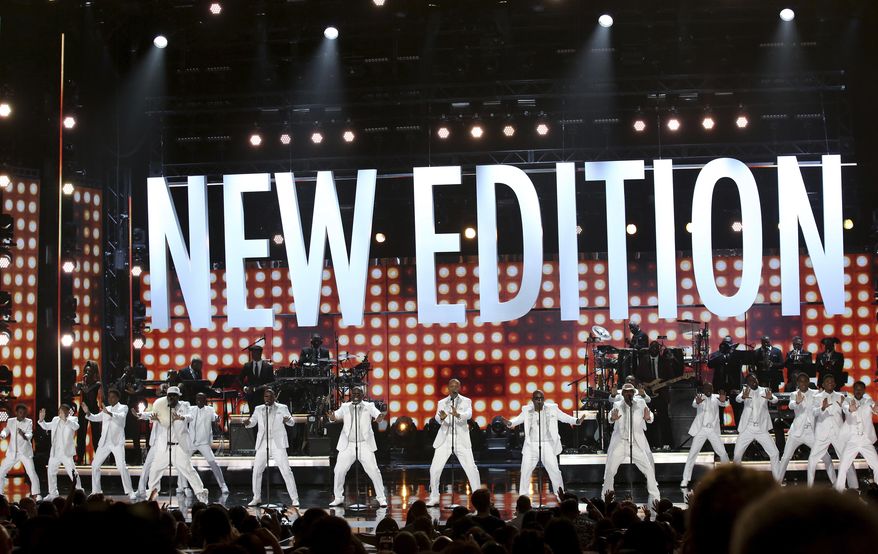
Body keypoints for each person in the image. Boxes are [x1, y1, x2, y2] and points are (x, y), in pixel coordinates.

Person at [504, 390, 584, 502]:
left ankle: (560, 496)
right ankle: (523, 498)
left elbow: (564, 417)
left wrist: (576, 421)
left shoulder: (552, 408)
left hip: (547, 444)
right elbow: (517, 420)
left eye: (541, 398)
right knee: (525, 471)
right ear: (532, 400)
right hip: (531, 445)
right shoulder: (527, 410)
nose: (539, 401)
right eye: (537, 398)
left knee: (555, 471)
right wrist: (510, 423)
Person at [140, 386, 208, 503]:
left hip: (178, 447)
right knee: (155, 470)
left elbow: (190, 416)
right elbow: (152, 414)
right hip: (164, 447)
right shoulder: (162, 406)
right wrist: (141, 415)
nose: (171, 397)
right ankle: (151, 495)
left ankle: (201, 493)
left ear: (178, 396)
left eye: (174, 395)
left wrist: (182, 417)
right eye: (169, 395)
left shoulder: (184, 405)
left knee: (188, 470)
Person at [602, 384, 660, 509]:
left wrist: (648, 417)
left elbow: (650, 417)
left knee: (648, 470)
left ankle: (656, 497)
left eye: (631, 392)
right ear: (622, 394)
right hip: (621, 443)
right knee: (610, 471)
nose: (629, 394)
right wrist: (613, 418)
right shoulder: (617, 404)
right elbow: (610, 417)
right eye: (626, 392)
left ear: (634, 393)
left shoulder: (640, 403)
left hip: (635, 442)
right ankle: (606, 497)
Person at [327, 386, 387, 507]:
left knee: (374, 471)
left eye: (358, 393)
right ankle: (338, 497)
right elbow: (336, 416)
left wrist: (380, 417)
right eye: (353, 393)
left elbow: (378, 415)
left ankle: (381, 498)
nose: (355, 395)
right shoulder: (345, 407)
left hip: (364, 444)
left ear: (362, 395)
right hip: (348, 444)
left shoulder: (369, 406)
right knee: (339, 470)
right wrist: (332, 417)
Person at [427, 378, 481, 506]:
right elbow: (437, 417)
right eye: (451, 386)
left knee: (471, 468)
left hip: (461, 439)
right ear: (448, 387)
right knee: (434, 469)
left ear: (459, 387)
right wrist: (441, 418)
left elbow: (468, 414)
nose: (454, 388)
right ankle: (434, 497)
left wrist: (457, 415)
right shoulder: (442, 402)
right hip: (445, 438)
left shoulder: (466, 401)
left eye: (456, 386)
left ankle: (479, 497)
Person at [775, 372, 835, 483]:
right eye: (800, 381)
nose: (803, 383)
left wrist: (824, 395)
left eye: (805, 381)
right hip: (796, 432)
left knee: (826, 457)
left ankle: (837, 485)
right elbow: (791, 405)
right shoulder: (794, 394)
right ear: (797, 383)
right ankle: (777, 484)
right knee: (785, 458)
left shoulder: (816, 393)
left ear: (808, 382)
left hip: (811, 433)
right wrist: (797, 402)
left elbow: (825, 398)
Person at [245, 388, 299, 506]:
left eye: (270, 396)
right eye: (265, 396)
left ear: (274, 397)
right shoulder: (258, 409)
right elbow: (253, 421)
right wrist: (248, 423)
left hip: (277, 442)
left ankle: (295, 498)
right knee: (257, 470)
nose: (267, 399)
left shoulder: (282, 407)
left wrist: (288, 420)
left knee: (286, 470)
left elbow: (292, 422)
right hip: (263, 442)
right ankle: (256, 497)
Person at [83, 388, 137, 500]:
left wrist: (109, 413)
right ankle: (96, 491)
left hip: (117, 442)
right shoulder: (105, 409)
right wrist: (88, 412)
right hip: (105, 442)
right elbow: (95, 418)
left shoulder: (123, 408)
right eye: (109, 397)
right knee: (95, 465)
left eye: (113, 397)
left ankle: (130, 491)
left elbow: (121, 419)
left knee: (121, 466)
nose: (110, 399)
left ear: (117, 398)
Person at [807, 374, 857, 487]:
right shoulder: (817, 397)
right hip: (822, 434)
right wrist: (822, 408)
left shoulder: (841, 396)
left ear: (834, 384)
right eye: (827, 381)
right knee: (812, 460)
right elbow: (814, 412)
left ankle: (854, 488)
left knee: (846, 459)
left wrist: (849, 408)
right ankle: (809, 488)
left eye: (832, 381)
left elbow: (847, 410)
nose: (830, 383)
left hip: (838, 433)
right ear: (823, 384)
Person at [681, 383, 729, 488]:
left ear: (712, 388)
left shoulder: (717, 397)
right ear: (703, 389)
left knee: (723, 453)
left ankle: (728, 477)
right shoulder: (699, 397)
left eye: (710, 388)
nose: (708, 389)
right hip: (701, 430)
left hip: (712, 430)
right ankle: (685, 479)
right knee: (692, 454)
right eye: (706, 388)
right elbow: (694, 404)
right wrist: (697, 402)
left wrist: (723, 399)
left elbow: (724, 403)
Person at [180, 392, 228, 494]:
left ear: (205, 400)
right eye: (197, 398)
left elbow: (215, 417)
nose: (199, 401)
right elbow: (187, 416)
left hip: (203, 442)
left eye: (201, 399)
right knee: (183, 461)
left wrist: (217, 418)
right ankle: (183, 487)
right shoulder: (191, 409)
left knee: (213, 463)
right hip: (191, 441)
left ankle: (223, 485)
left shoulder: (210, 410)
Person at [834, 381, 878, 491]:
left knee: (876, 465)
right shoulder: (848, 400)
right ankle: (839, 491)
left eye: (860, 389)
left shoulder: (868, 401)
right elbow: (846, 409)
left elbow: (874, 409)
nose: (858, 391)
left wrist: (876, 408)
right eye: (856, 389)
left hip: (865, 440)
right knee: (843, 466)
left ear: (864, 390)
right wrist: (850, 409)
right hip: (852, 440)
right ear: (853, 390)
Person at [732, 374, 779, 474]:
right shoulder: (745, 391)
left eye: (755, 379)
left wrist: (770, 398)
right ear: (747, 383)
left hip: (761, 429)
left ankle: (777, 481)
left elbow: (775, 400)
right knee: (736, 455)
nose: (753, 381)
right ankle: (735, 482)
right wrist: (743, 397)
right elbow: (738, 399)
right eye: (750, 380)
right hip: (747, 429)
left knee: (775, 453)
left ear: (757, 380)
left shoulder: (764, 390)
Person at [635, 341, 675, 449]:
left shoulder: (664, 361)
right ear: (649, 349)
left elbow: (671, 376)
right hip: (648, 394)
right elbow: (637, 376)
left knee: (664, 419)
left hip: (661, 393)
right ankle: (649, 444)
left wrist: (664, 383)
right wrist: (643, 385)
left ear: (659, 349)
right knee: (647, 419)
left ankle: (667, 444)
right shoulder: (644, 361)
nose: (653, 350)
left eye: (655, 348)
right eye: (651, 348)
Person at [37, 404, 81, 499]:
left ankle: (79, 491)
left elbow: (76, 427)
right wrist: (41, 420)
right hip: (55, 452)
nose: (60, 413)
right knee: (51, 472)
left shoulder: (72, 420)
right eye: (59, 411)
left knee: (72, 472)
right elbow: (46, 426)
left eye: (62, 411)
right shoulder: (55, 419)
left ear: (67, 412)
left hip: (66, 452)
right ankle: (53, 493)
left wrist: (66, 420)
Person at [0, 404, 40, 499]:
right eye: (20, 412)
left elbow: (30, 434)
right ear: (16, 413)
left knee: (32, 473)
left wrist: (24, 435)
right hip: (13, 453)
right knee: (1, 471)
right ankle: (0, 493)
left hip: (25, 453)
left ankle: (36, 494)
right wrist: (3, 434)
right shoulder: (11, 421)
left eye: (24, 413)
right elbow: (6, 430)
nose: (22, 415)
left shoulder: (28, 422)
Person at [707, 336, 743, 428]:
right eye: (725, 344)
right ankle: (720, 427)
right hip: (720, 385)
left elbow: (740, 366)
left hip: (733, 385)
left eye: (728, 344)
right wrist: (722, 355)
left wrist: (732, 353)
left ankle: (739, 427)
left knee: (736, 406)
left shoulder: (735, 355)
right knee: (719, 407)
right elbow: (710, 364)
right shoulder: (717, 354)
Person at [73, 361, 102, 462]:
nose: (87, 372)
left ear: (93, 372)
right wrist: (77, 386)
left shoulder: (97, 383)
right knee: (81, 433)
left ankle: (99, 457)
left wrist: (85, 388)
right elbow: (75, 392)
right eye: (86, 370)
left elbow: (90, 393)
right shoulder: (81, 384)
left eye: (89, 371)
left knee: (96, 434)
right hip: (83, 409)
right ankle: (80, 457)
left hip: (93, 408)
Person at [114, 364, 145, 459]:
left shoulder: (137, 381)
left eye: (129, 371)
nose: (127, 373)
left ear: (132, 373)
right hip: (122, 410)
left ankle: (138, 458)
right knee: (119, 433)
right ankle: (119, 458)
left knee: (135, 435)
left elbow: (141, 389)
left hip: (133, 410)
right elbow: (115, 390)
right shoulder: (120, 381)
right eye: (125, 371)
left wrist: (133, 392)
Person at [240, 345, 274, 411]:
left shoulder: (268, 367)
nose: (252, 354)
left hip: (264, 396)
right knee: (253, 416)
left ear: (260, 353)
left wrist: (268, 387)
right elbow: (239, 379)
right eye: (252, 352)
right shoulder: (247, 366)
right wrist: (245, 388)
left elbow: (272, 381)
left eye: (255, 352)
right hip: (251, 396)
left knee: (263, 416)